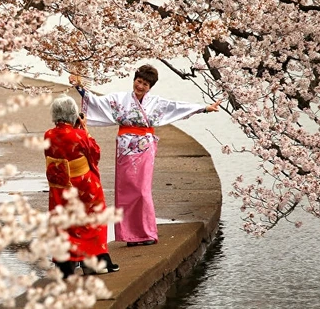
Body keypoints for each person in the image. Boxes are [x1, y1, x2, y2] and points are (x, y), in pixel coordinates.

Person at [70, 64, 220, 247]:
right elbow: (96, 102)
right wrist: (79, 87)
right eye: (139, 81)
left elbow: (176, 107)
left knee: (142, 190)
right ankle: (129, 235)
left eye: (145, 84)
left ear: (150, 87)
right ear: (134, 80)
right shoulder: (120, 99)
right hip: (125, 147)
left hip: (145, 147)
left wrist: (204, 108)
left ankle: (146, 232)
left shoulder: (155, 103)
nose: (140, 86)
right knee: (125, 191)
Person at [44, 95, 119, 278]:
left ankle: (65, 266)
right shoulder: (81, 135)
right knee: (92, 220)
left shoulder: (48, 134)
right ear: (74, 114)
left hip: (60, 185)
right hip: (83, 184)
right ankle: (94, 263)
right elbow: (95, 153)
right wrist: (84, 128)